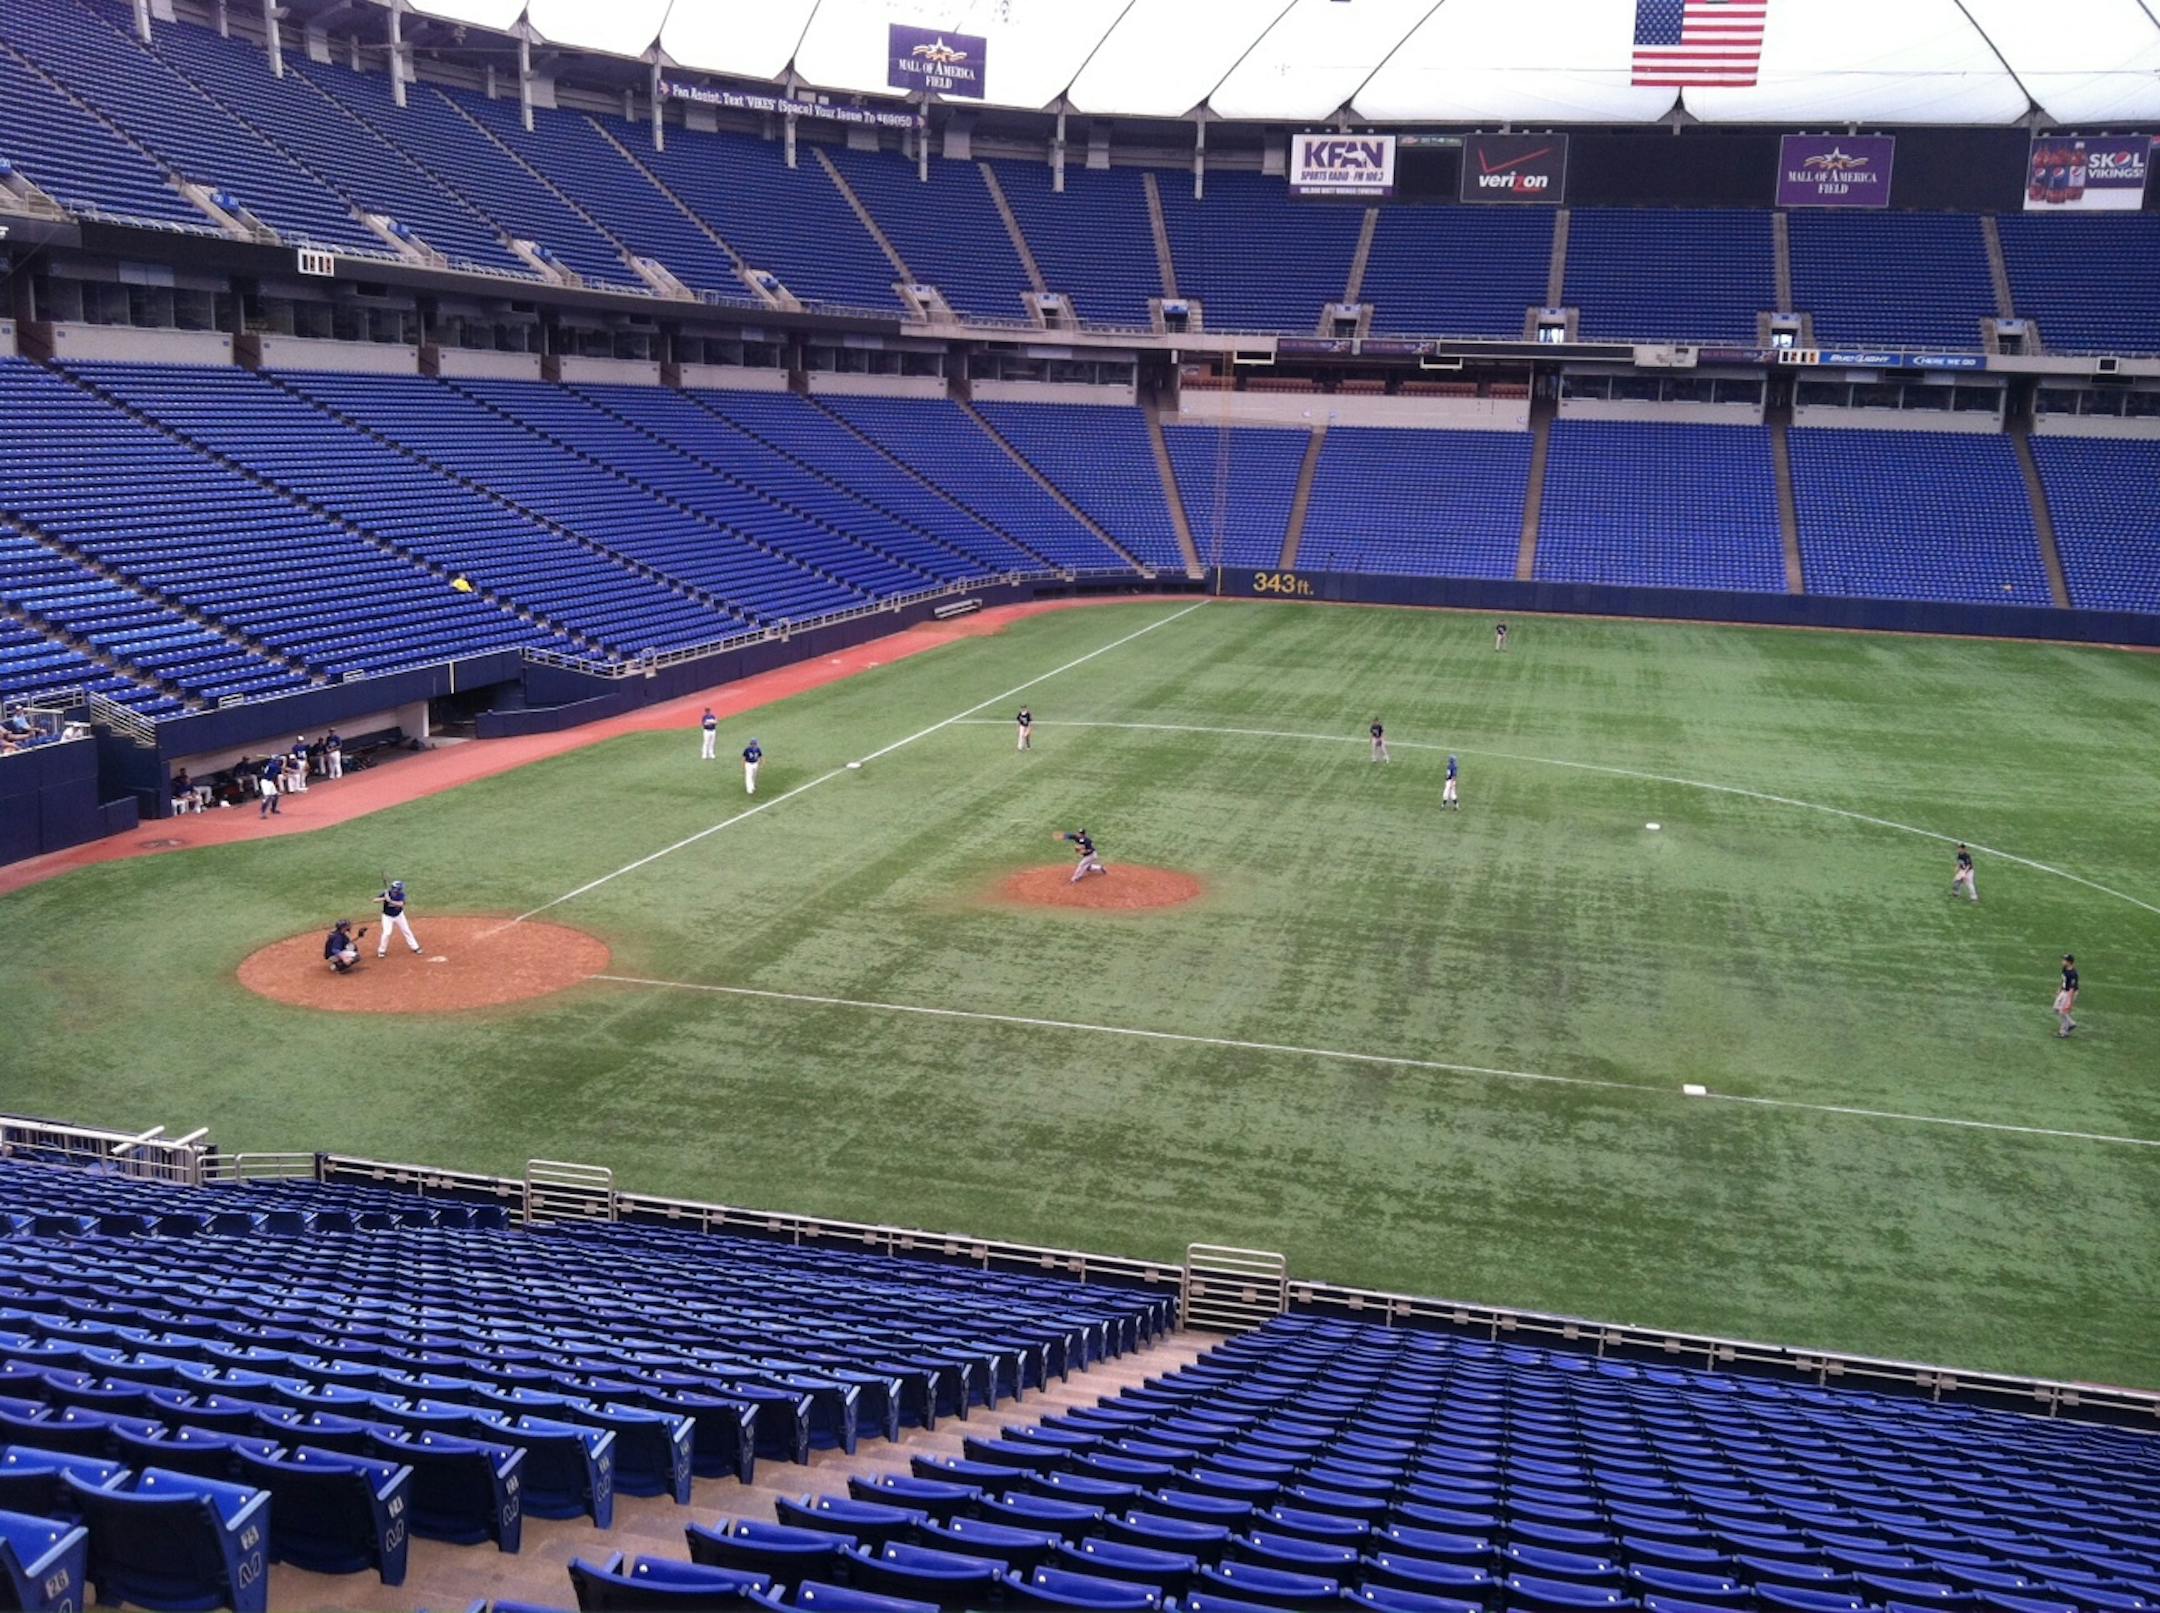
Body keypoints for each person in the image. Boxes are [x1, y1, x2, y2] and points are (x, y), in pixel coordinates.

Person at [376, 880, 422, 959]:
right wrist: (384, 898)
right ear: (396, 889)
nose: (401, 890)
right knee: (387, 933)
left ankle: (415, 947)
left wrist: (390, 900)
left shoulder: (401, 895)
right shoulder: (387, 893)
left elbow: (401, 904)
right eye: (400, 888)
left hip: (399, 916)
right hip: (387, 917)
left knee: (406, 930)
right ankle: (381, 951)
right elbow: (374, 900)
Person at [2054, 954, 2079, 1038]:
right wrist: (2059, 989)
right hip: (2063, 992)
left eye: (2064, 960)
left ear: (2069, 962)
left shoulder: (2073, 974)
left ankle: (2063, 1032)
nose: (2062, 961)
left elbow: (2073, 988)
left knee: (2062, 1012)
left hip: (2069, 993)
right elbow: (2063, 980)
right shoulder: (2064, 968)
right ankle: (2071, 1023)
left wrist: (2069, 1001)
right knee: (2056, 1008)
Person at [258, 751, 284, 817]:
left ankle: (273, 809)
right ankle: (263, 813)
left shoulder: (272, 764)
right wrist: (284, 760)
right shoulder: (272, 766)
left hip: (270, 782)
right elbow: (282, 767)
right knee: (267, 797)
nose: (279, 761)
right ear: (275, 760)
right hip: (265, 782)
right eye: (278, 760)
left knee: (276, 796)